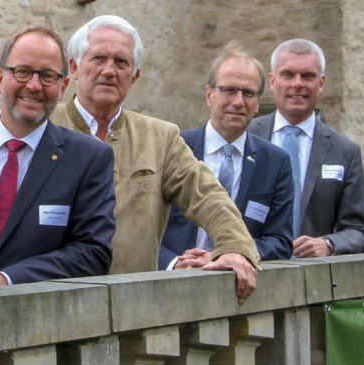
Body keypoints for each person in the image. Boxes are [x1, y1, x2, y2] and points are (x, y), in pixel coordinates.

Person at [53, 15, 260, 303]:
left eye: (121, 62)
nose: (109, 70)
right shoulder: (46, 129)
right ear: (74, 67)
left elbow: (206, 194)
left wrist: (234, 248)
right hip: (55, 303)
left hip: (133, 309)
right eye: (98, 58)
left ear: (134, 76)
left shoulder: (159, 138)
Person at [0, 26, 115, 287]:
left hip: (45, 322)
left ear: (63, 86)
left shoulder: (89, 158)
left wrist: (7, 280)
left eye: (47, 76)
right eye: (22, 71)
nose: (34, 86)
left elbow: (93, 252)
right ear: (0, 78)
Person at [160, 45, 294, 265]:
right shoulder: (173, 148)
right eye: (229, 90)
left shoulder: (275, 162)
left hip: (238, 287)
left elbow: (280, 242)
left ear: (258, 104)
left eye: (248, 93)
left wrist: (231, 253)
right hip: (170, 280)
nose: (238, 102)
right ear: (209, 95)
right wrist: (174, 263)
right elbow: (144, 227)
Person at [248, 38, 364, 257]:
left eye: (308, 76)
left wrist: (328, 244)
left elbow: (359, 230)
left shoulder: (345, 151)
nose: (298, 84)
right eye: (288, 75)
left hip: (315, 282)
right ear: (273, 81)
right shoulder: (246, 138)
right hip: (251, 275)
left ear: (321, 83)